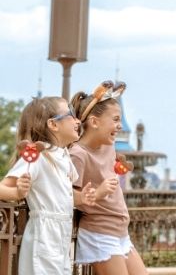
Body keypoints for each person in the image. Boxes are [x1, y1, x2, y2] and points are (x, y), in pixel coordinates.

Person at [0, 96, 95, 274]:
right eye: (71, 114)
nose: (77, 121)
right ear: (53, 124)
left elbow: (61, 195)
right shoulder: (38, 156)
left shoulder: (64, 156)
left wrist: (81, 198)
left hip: (61, 237)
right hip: (44, 236)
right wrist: (17, 193)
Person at [69, 81, 148, 275]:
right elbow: (67, 195)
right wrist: (98, 192)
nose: (120, 126)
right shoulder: (78, 154)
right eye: (115, 119)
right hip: (99, 232)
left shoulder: (108, 146)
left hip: (120, 232)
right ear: (94, 122)